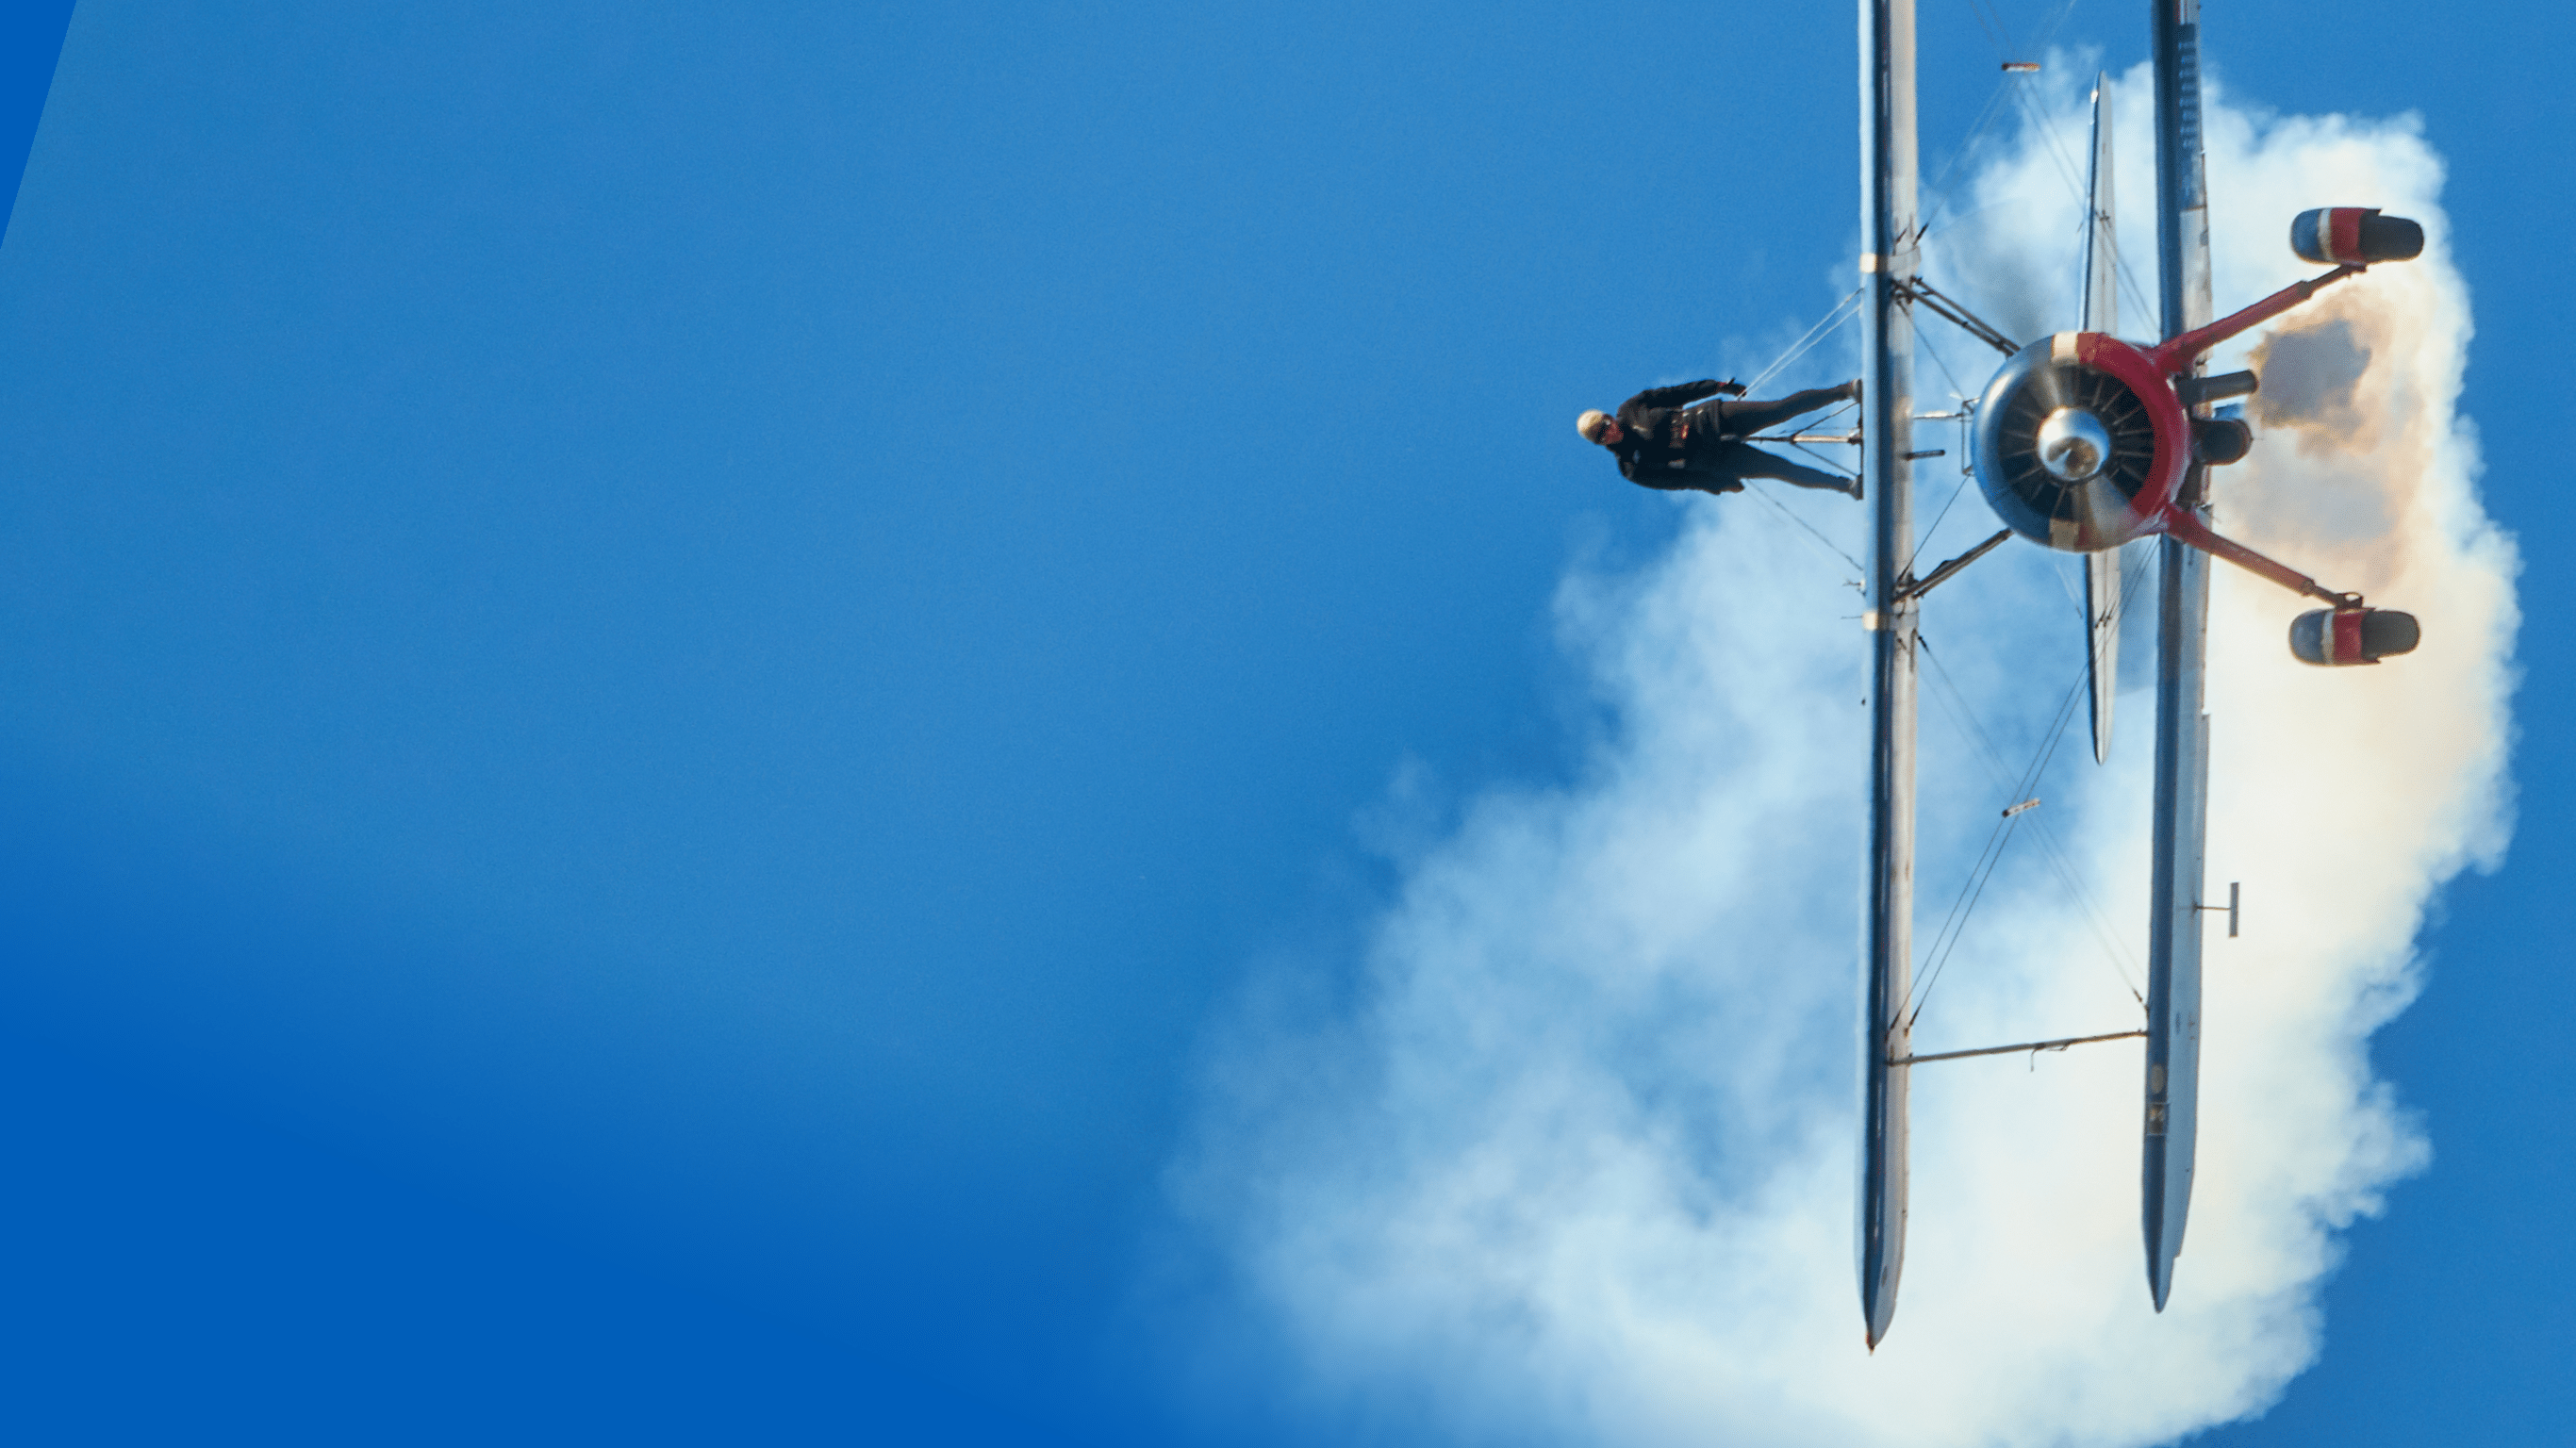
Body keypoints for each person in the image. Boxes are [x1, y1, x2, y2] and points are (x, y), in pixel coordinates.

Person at [1577, 377, 1862, 498]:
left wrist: (1717, 386)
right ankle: (1846, 486)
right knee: (1781, 470)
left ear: (1610, 416)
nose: (1610, 429)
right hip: (1715, 460)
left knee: (1778, 409)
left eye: (1606, 422)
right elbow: (1680, 482)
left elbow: (1677, 393)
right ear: (1599, 443)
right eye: (1602, 434)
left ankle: (1845, 390)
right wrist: (1718, 485)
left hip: (1712, 419)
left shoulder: (1631, 408)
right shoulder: (1631, 468)